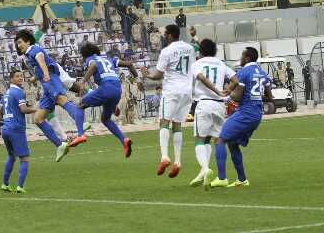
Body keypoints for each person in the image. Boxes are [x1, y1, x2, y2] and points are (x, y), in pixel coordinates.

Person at [15, 29, 86, 162]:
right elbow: (39, 65)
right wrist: (35, 78)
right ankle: (61, 145)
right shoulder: (27, 55)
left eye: (20, 42)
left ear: (28, 41)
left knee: (62, 100)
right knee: (38, 118)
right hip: (46, 84)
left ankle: (82, 124)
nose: (18, 45)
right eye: (17, 43)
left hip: (51, 79)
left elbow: (40, 58)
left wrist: (46, 74)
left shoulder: (32, 49)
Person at [211, 47, 272, 188]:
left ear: (248, 58)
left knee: (220, 139)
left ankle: (221, 178)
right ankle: (242, 180)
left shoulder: (243, 73)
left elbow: (237, 97)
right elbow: (269, 97)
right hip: (257, 114)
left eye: (242, 55)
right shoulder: (263, 73)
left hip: (246, 112)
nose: (241, 58)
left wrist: (227, 96)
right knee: (232, 143)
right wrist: (255, 96)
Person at [142, 24, 196, 178]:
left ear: (171, 35)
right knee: (177, 125)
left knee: (164, 122)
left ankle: (164, 156)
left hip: (172, 90)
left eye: (166, 35)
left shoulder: (167, 51)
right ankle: (178, 161)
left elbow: (158, 75)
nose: (165, 37)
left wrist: (147, 74)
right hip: (187, 91)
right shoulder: (190, 48)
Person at [76, 43, 140, 156]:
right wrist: (138, 80)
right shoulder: (109, 59)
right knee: (105, 119)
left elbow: (94, 65)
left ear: (85, 55)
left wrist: (82, 82)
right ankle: (124, 140)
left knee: (80, 105)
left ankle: (80, 134)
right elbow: (129, 64)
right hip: (117, 89)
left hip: (106, 87)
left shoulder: (90, 59)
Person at [189, 39, 237, 189]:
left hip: (204, 103)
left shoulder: (197, 64)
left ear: (201, 51)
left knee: (199, 140)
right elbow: (236, 79)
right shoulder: (221, 63)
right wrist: (227, 90)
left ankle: (205, 169)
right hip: (219, 106)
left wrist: (216, 91)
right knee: (216, 140)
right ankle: (216, 175)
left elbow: (202, 78)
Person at [0, 70, 36, 193]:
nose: (21, 78)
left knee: (11, 156)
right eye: (17, 76)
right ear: (11, 79)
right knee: (25, 158)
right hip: (16, 129)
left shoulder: (6, 93)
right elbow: (23, 109)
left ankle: (5, 184)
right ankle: (20, 186)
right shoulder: (18, 92)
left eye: (22, 76)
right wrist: (37, 109)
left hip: (6, 129)